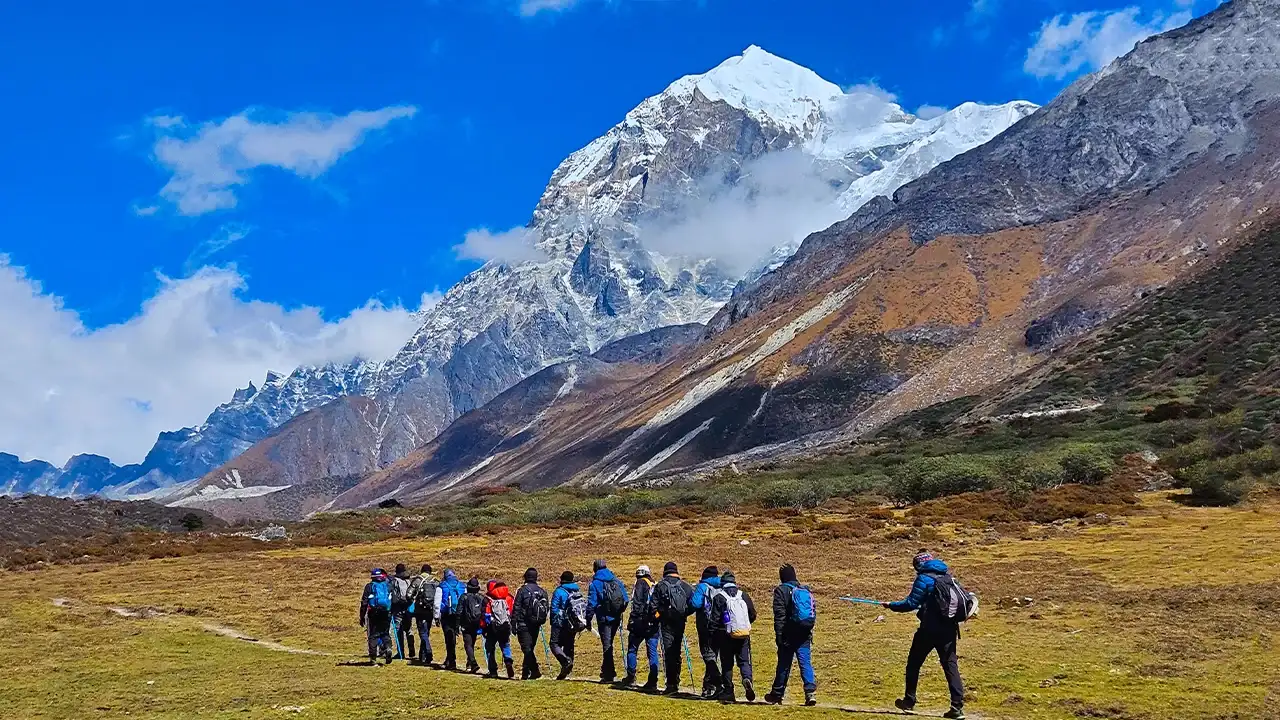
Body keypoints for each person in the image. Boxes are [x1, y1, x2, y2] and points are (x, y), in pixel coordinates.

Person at [884, 550, 967, 720]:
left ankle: (909, 700)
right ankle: (957, 707)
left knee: (914, 663)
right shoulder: (948, 577)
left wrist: (891, 605)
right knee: (950, 665)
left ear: (919, 565)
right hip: (950, 629)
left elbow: (910, 603)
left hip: (929, 629)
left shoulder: (924, 578)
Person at [765, 563, 817, 706]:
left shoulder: (780, 591)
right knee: (805, 662)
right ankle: (810, 692)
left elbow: (779, 616)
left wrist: (779, 635)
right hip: (804, 633)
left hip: (788, 634)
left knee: (783, 664)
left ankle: (777, 693)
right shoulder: (804, 590)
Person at [709, 571, 757, 703]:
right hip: (743, 634)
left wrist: (712, 636)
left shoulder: (719, 597)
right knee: (744, 661)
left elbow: (714, 619)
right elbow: (752, 614)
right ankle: (747, 679)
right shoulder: (744, 595)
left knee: (727, 664)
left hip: (726, 635)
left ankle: (729, 691)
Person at [650, 561, 694, 695]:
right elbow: (693, 604)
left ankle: (671, 684)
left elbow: (653, 606)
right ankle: (676, 679)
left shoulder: (660, 586)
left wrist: (658, 616)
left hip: (666, 623)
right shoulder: (685, 586)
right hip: (680, 622)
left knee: (668, 652)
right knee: (676, 651)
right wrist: (684, 613)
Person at [586, 559, 629, 683]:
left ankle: (609, 673)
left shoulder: (595, 584)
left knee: (606, 644)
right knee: (609, 643)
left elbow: (591, 604)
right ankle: (606, 671)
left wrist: (588, 620)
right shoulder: (616, 581)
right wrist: (618, 611)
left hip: (604, 619)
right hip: (616, 617)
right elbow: (625, 599)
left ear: (595, 569)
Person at [624, 565, 661, 691]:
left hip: (640, 623)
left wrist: (633, 619)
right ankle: (653, 680)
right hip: (653, 623)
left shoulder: (640, 583)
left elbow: (638, 603)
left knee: (632, 649)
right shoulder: (654, 584)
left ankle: (631, 676)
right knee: (652, 652)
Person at [690, 565, 725, 698]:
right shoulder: (722, 586)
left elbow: (695, 604)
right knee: (713, 655)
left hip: (705, 626)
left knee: (708, 655)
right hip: (720, 626)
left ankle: (718, 682)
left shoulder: (703, 586)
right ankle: (708, 686)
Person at [514, 567, 550, 680]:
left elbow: (517, 608)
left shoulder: (522, 591)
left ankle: (535, 671)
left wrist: (513, 623)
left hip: (523, 624)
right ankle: (526, 673)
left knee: (527, 649)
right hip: (536, 624)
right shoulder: (542, 591)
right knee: (529, 648)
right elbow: (546, 608)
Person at [550, 570, 586, 680]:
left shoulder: (559, 591)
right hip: (573, 622)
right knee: (569, 645)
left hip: (560, 622)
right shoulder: (576, 591)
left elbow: (554, 608)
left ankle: (565, 662)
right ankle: (566, 670)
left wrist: (553, 621)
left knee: (554, 644)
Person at [359, 568, 394, 664]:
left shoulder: (369, 586)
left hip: (373, 614)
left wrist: (362, 617)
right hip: (386, 613)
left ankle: (373, 658)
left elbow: (364, 602)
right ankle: (388, 648)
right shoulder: (388, 586)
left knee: (373, 636)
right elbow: (393, 600)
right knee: (385, 633)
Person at [483, 579, 516, 679]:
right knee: (505, 645)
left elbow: (486, 614)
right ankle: (508, 660)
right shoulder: (509, 597)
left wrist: (483, 627)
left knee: (489, 648)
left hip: (492, 628)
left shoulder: (488, 599)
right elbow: (512, 611)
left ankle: (493, 670)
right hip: (505, 626)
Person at [409, 564, 441, 665]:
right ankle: (423, 657)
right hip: (431, 610)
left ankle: (428, 652)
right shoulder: (435, 581)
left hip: (420, 610)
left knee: (422, 632)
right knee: (426, 632)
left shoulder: (418, 580)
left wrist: (413, 601)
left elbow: (408, 594)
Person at [437, 569, 466, 670]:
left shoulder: (442, 586)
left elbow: (437, 603)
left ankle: (451, 660)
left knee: (449, 638)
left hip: (446, 614)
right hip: (459, 615)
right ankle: (466, 661)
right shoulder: (462, 585)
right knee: (456, 637)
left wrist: (436, 616)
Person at [459, 576, 486, 673]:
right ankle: (469, 663)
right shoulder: (482, 598)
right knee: (472, 643)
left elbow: (459, 611)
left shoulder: (464, 597)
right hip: (477, 624)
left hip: (466, 624)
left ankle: (473, 663)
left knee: (468, 644)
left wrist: (458, 624)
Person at [389, 563, 415, 660]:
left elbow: (392, 595)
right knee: (409, 629)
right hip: (408, 608)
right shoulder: (409, 581)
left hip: (398, 608)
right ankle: (411, 650)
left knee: (398, 630)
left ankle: (401, 652)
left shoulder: (394, 581)